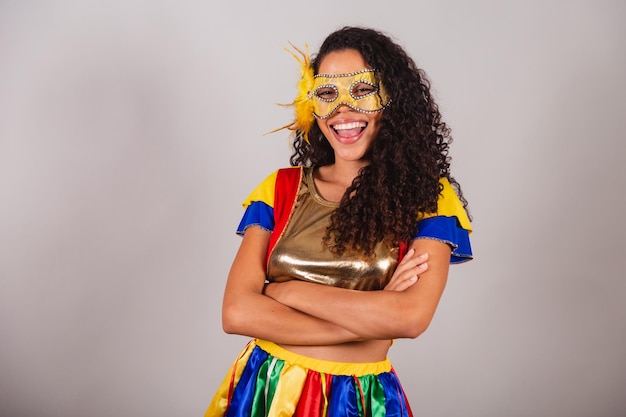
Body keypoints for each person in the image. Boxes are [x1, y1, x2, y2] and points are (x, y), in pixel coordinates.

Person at [205, 26, 473, 417]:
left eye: (362, 91)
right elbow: (237, 313)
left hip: (361, 399)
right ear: (311, 103)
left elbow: (411, 317)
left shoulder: (428, 199)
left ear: (392, 99)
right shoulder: (278, 190)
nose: (342, 110)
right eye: (327, 94)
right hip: (265, 389)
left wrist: (287, 292)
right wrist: (373, 314)